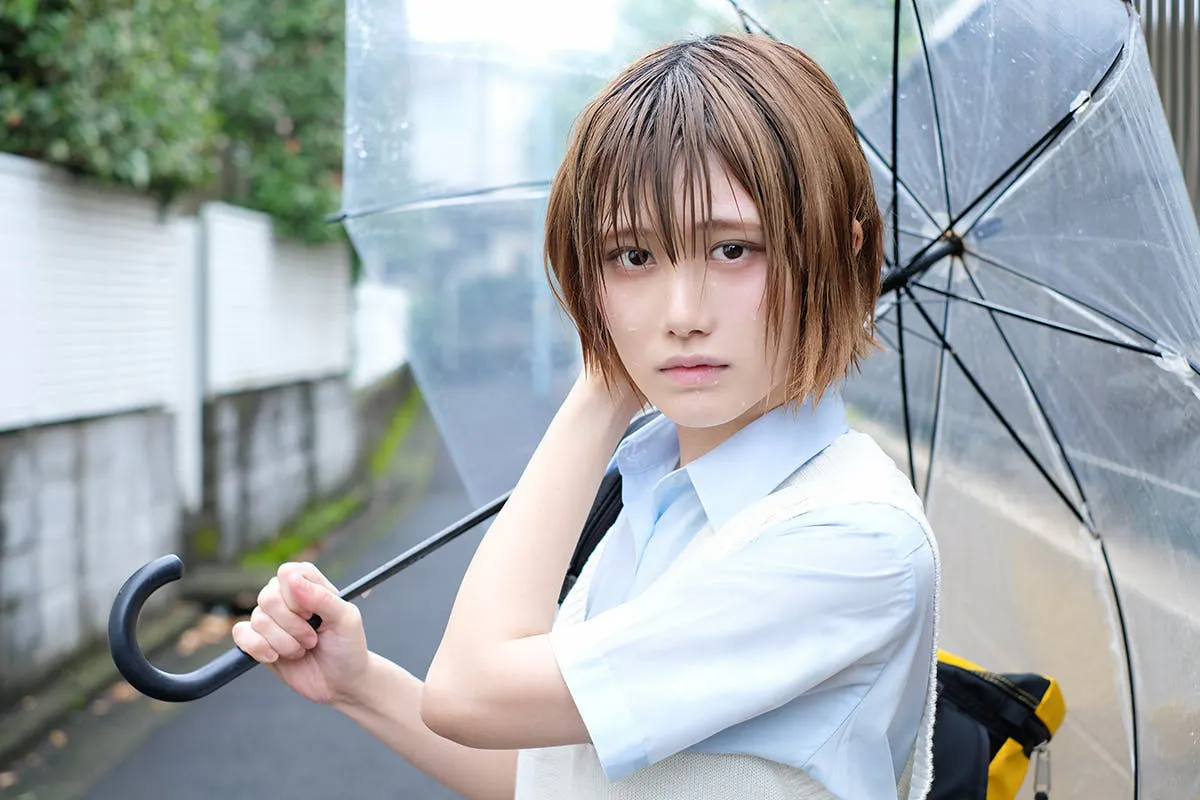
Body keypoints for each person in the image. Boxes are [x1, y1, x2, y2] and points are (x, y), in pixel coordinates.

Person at [233, 33, 939, 800]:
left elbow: (470, 693)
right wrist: (360, 683)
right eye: (633, 256)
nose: (681, 313)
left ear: (843, 247)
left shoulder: (851, 541)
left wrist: (601, 389)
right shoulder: (654, 492)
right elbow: (557, 775)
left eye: (734, 249)